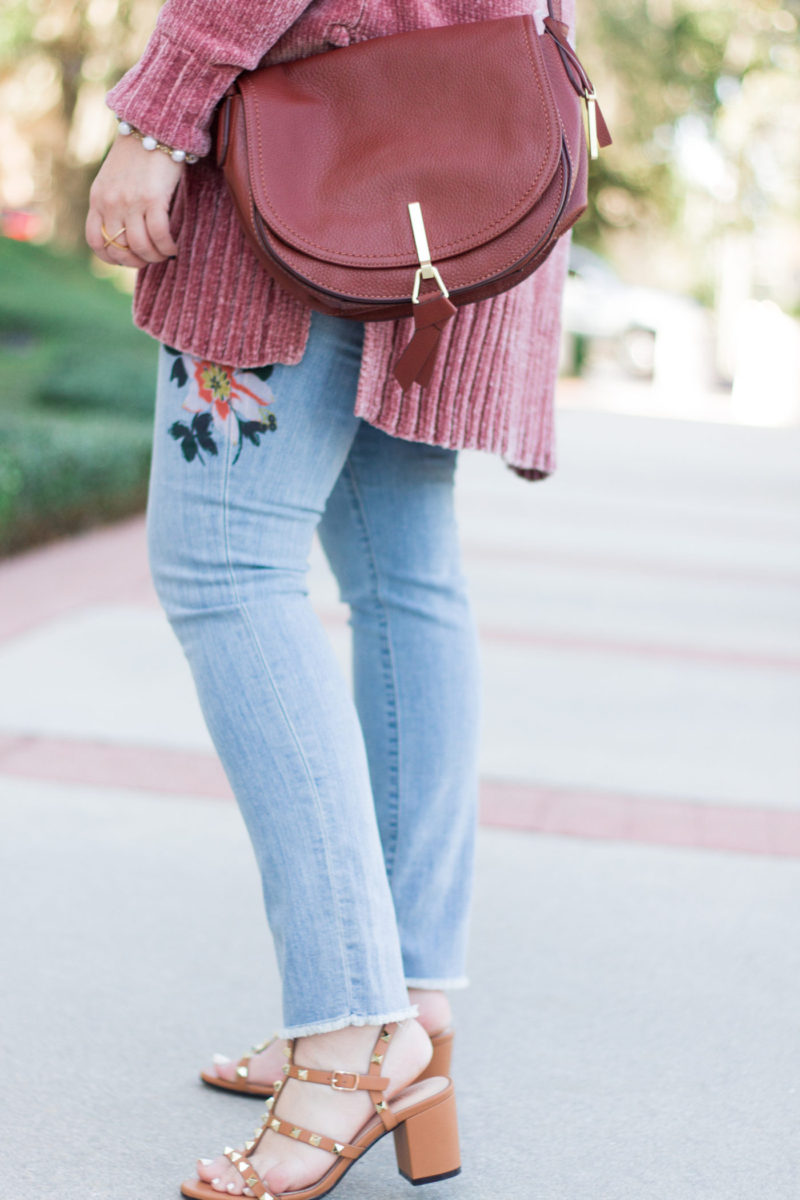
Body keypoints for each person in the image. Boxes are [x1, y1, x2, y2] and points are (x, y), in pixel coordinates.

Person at [86, 1, 574, 1195]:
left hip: (317, 159)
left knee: (223, 567)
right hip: (462, 154)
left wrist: (159, 116)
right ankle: (406, 1000)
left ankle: (353, 1030)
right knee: (401, 567)